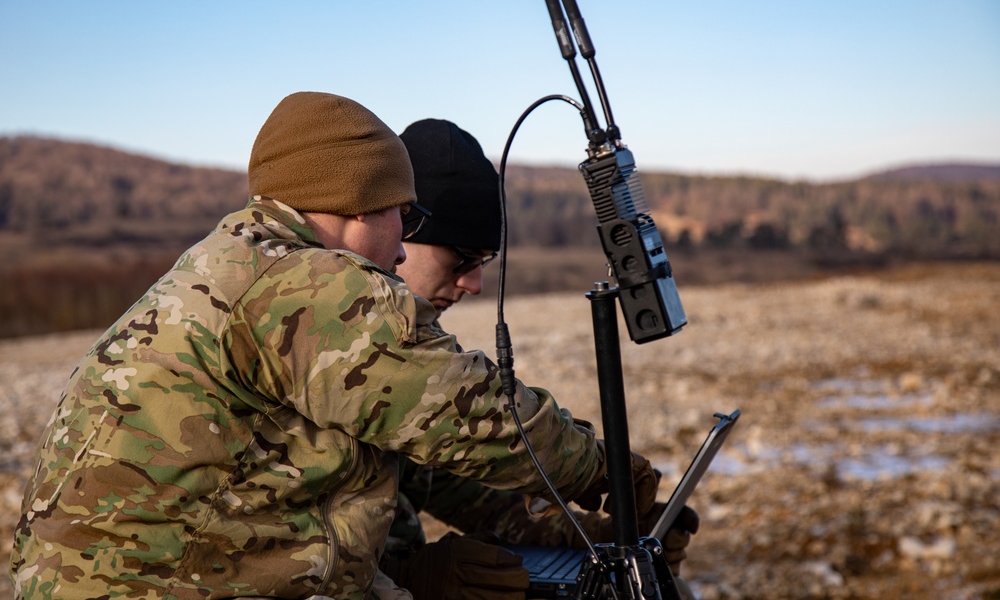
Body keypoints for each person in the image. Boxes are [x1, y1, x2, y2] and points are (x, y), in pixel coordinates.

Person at [10, 92, 660, 600]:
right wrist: (600, 471)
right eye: (400, 216)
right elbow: (468, 417)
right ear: (356, 204)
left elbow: (419, 467)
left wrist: (596, 529)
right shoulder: (305, 283)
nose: (403, 245)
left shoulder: (243, 266)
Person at [379, 118, 699, 600]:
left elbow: (467, 496)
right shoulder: (338, 325)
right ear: (403, 229)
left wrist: (595, 537)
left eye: (483, 264)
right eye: (462, 258)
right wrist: (400, 579)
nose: (474, 284)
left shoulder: (410, 330)